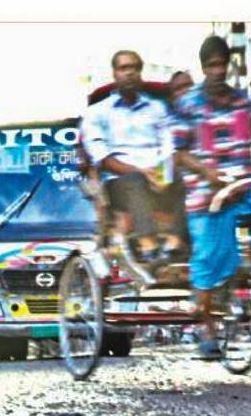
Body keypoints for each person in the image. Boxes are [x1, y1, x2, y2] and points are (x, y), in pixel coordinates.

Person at [172, 34, 251, 360]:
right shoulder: (188, 104)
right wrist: (207, 173)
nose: (218, 71)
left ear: (229, 65)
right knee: (210, 259)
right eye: (212, 65)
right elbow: (178, 152)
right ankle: (206, 328)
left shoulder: (241, 101)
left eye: (222, 65)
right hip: (208, 195)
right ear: (204, 67)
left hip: (246, 187)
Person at [80, 49, 177, 262]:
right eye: (124, 68)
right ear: (114, 73)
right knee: (135, 180)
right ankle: (148, 243)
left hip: (158, 176)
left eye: (134, 68)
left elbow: (168, 145)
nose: (129, 73)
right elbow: (102, 158)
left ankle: (175, 241)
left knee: (182, 176)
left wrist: (162, 174)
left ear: (140, 73)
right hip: (119, 182)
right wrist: (143, 172)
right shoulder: (97, 112)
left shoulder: (157, 108)